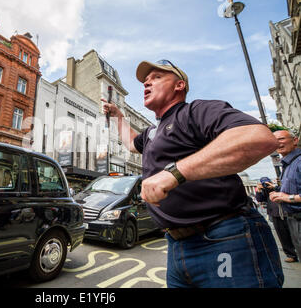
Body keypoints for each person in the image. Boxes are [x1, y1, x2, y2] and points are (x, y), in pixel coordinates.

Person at [101, 59, 283, 288]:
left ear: (179, 85)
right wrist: (118, 115)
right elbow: (129, 143)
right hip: (177, 246)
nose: (147, 83)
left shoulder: (196, 111)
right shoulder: (150, 133)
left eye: (157, 77)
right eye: (145, 81)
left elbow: (258, 138)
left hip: (225, 238)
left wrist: (174, 173)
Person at [269, 129, 301, 261]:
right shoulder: (288, 165)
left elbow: (289, 195)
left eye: (281, 139)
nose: (278, 143)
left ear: (295, 140)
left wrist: (287, 198)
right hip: (293, 220)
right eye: (274, 141)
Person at [256, 176, 298, 263]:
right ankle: (291, 255)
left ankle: (297, 251)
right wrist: (259, 190)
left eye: (267, 183)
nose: (266, 185)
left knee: (295, 234)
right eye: (264, 183)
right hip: (275, 215)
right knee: (283, 236)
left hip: (287, 213)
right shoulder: (264, 192)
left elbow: (286, 192)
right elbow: (259, 199)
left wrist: (274, 187)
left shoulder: (278, 187)